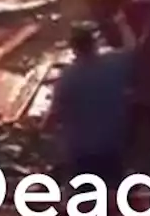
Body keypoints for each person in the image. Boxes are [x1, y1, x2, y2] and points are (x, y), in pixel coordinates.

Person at [48, 25, 134, 185]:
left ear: (74, 48)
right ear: (94, 43)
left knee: (84, 196)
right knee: (114, 193)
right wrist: (122, 23)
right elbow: (133, 50)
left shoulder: (67, 77)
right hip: (113, 146)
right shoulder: (115, 63)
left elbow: (53, 116)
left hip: (81, 152)